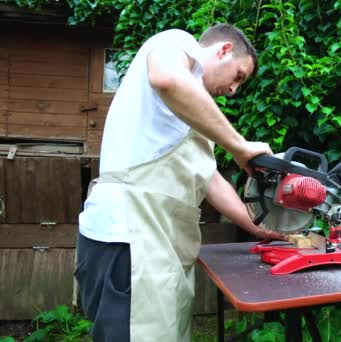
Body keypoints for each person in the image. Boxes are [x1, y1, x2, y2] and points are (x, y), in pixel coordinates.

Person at [75, 23, 286, 342]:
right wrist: (240, 147)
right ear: (223, 50)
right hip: (128, 241)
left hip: (158, 250)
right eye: (238, 77)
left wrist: (259, 227)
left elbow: (209, 179)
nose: (234, 90)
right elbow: (167, 79)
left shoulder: (190, 119)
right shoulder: (176, 42)